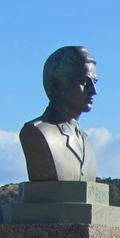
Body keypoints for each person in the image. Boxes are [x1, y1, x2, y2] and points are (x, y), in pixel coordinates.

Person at [19, 46, 99, 182]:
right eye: (84, 82)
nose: (93, 91)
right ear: (57, 85)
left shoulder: (85, 141)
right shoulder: (38, 132)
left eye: (95, 82)